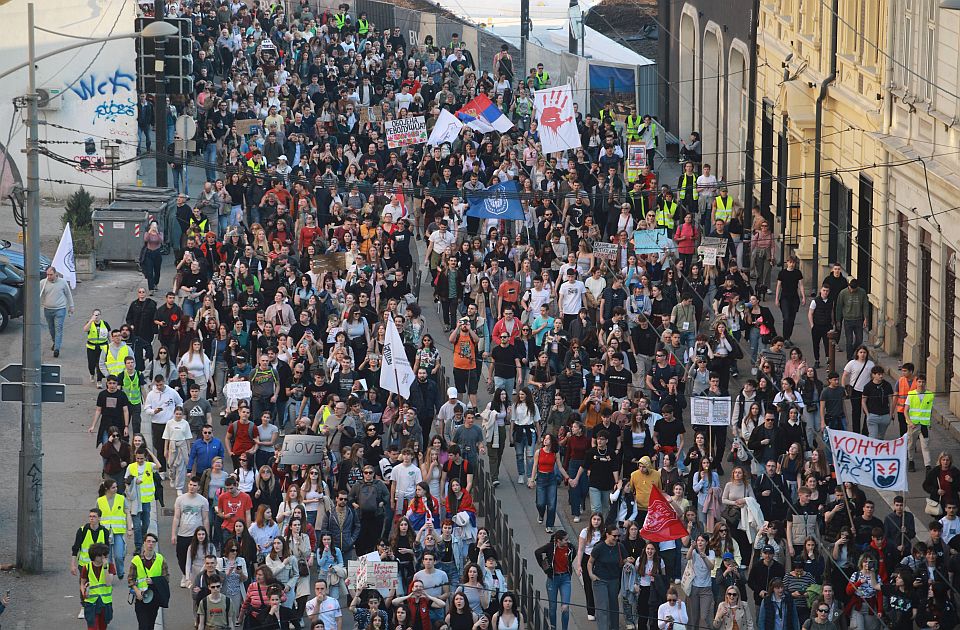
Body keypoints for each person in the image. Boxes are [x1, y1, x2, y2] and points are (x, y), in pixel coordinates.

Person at [534, 530, 575, 630]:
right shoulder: (550, 547)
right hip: (553, 579)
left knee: (565, 607)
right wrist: (544, 566)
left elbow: (572, 556)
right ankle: (553, 628)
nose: (567, 541)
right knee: (552, 608)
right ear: (558, 541)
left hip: (565, 578)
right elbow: (537, 552)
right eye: (565, 540)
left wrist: (568, 567)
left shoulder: (570, 547)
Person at [128, 532, 169, 630]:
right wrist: (137, 591)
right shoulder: (136, 560)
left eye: (153, 542)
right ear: (144, 543)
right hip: (140, 598)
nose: (150, 544)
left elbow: (166, 578)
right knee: (143, 626)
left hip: (154, 597)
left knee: (150, 625)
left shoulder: (160, 559)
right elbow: (130, 579)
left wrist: (154, 581)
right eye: (148, 541)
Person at [588, 525, 626, 630]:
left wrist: (628, 562)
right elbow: (590, 562)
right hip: (600, 579)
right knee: (602, 607)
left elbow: (624, 559)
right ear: (607, 535)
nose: (616, 538)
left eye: (618, 536)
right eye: (614, 536)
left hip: (614, 580)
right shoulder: (599, 547)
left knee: (614, 606)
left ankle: (614, 627)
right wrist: (591, 575)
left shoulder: (619, 546)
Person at [40, 265, 74, 357]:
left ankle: (57, 349)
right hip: (47, 309)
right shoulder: (43, 283)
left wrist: (71, 306)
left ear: (56, 274)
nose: (49, 277)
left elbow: (68, 294)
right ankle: (55, 342)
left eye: (51, 274)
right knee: (51, 329)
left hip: (60, 309)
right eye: (47, 274)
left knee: (58, 328)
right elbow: (38, 294)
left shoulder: (63, 282)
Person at [904, 372, 934, 472]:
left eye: (923, 382)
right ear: (916, 382)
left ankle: (928, 466)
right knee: (911, 445)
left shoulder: (929, 395)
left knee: (925, 445)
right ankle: (911, 462)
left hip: (924, 425)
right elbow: (905, 410)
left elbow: (930, 410)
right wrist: (910, 422)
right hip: (913, 425)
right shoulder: (911, 394)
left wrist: (930, 423)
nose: (921, 384)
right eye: (919, 382)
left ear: (925, 383)